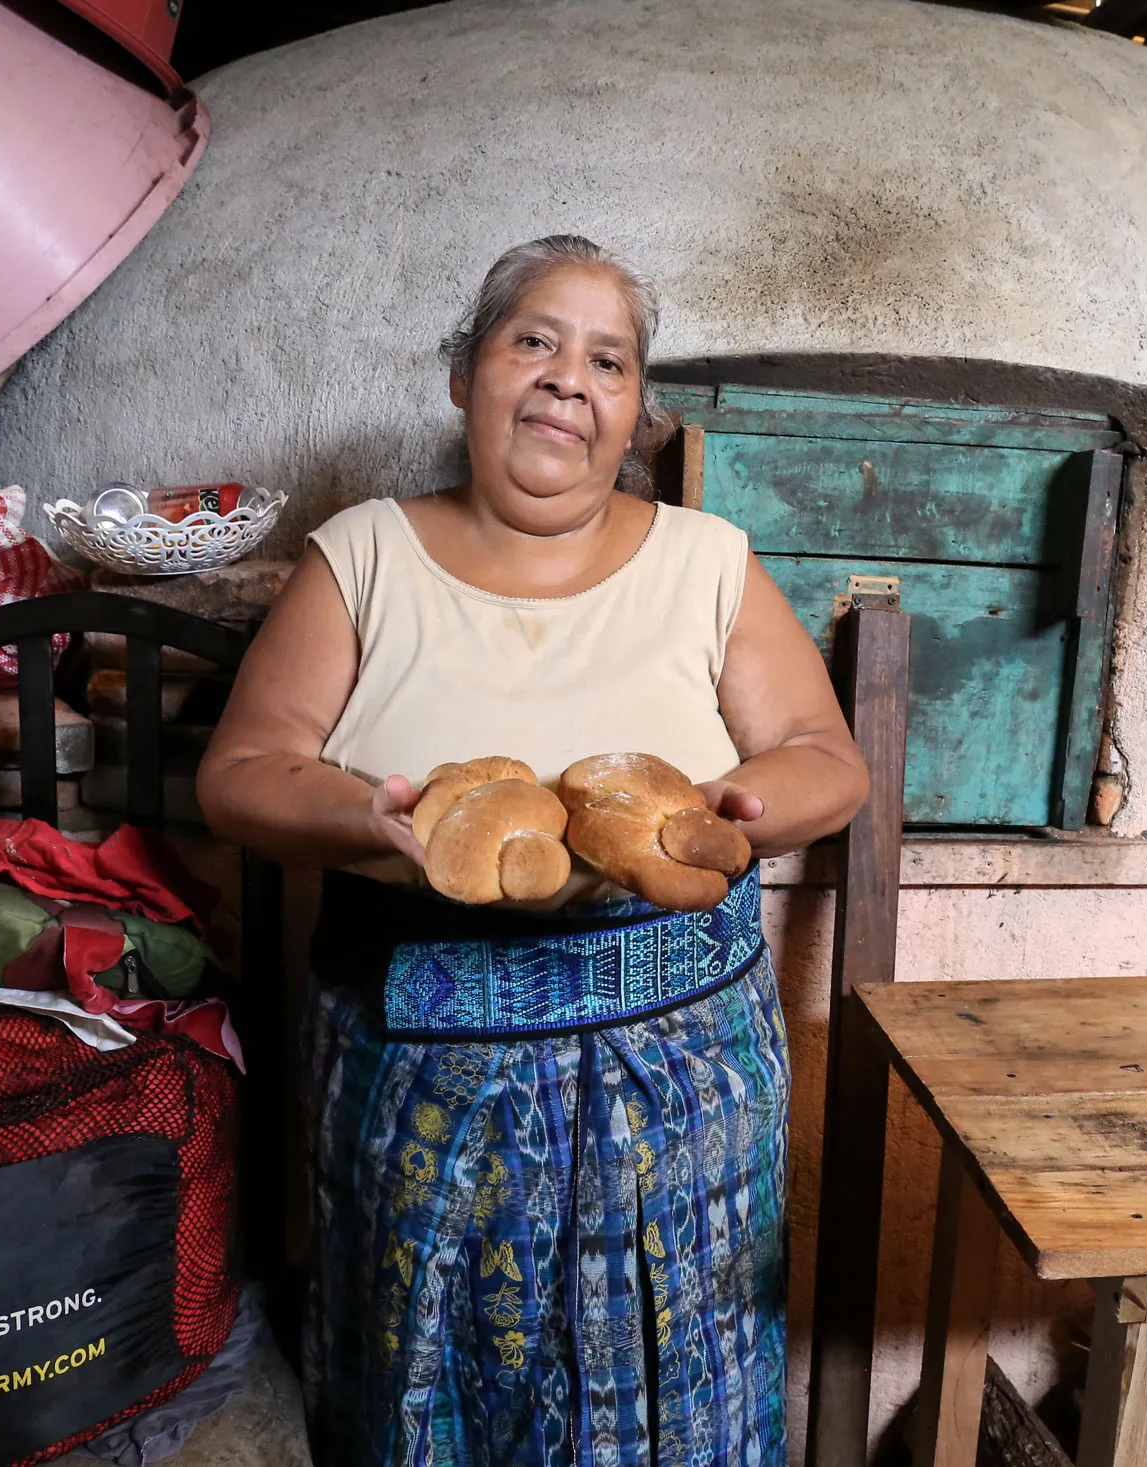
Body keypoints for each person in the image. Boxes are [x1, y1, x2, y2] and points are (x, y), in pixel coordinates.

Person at [198, 235, 868, 1466]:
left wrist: (730, 809)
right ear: (467, 377)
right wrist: (370, 820)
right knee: (430, 1384)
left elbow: (826, 757)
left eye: (606, 360)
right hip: (418, 1066)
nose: (569, 378)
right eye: (534, 342)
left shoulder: (703, 563)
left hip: (685, 1085)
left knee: (686, 1397)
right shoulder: (364, 556)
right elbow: (240, 774)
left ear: (634, 416)